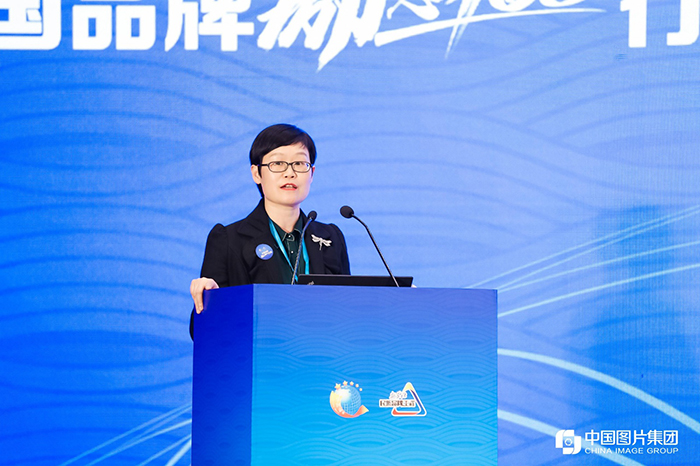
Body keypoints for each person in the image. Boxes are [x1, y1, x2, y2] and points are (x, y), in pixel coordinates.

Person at [189, 124, 350, 338]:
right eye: (278, 163)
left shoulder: (331, 237)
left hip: (321, 353)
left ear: (311, 173)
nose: (290, 173)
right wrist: (211, 298)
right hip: (259, 354)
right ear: (257, 173)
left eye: (299, 163)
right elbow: (202, 331)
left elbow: (347, 311)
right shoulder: (228, 239)